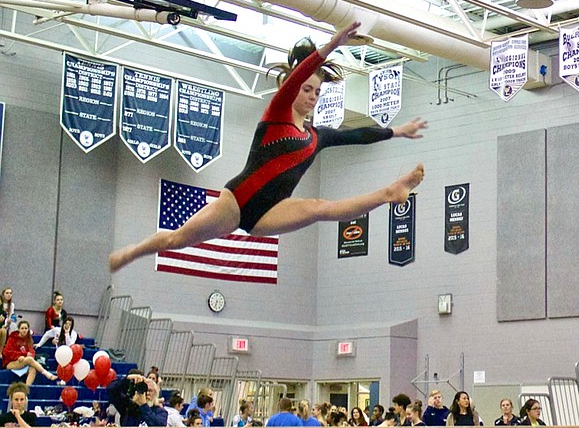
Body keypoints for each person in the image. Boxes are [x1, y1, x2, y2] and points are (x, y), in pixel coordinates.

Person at [109, 21, 426, 273]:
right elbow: (296, 77)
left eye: (317, 91)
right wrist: (330, 47)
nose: (313, 96)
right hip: (236, 202)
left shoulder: (317, 137)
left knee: (320, 208)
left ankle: (390, 193)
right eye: (307, 89)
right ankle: (132, 252)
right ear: (292, 87)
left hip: (271, 211)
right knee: (178, 238)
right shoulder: (276, 115)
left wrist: (398, 130)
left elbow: (359, 136)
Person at [2, 320, 57, 386]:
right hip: (11, 363)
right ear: (19, 329)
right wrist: (20, 355)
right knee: (29, 359)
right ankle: (47, 374)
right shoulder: (12, 338)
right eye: (22, 328)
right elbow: (6, 352)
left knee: (33, 369)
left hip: (24, 362)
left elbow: (32, 352)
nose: (24, 330)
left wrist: (27, 356)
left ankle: (26, 391)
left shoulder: (29, 339)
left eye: (26, 328)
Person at [0, 287, 16, 352]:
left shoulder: (12, 305)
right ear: (3, 294)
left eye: (10, 293)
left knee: (13, 325)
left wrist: (11, 320)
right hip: (1, 322)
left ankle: (10, 345)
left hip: (7, 322)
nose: (9, 295)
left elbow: (12, 315)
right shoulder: (1, 303)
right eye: (7, 293)